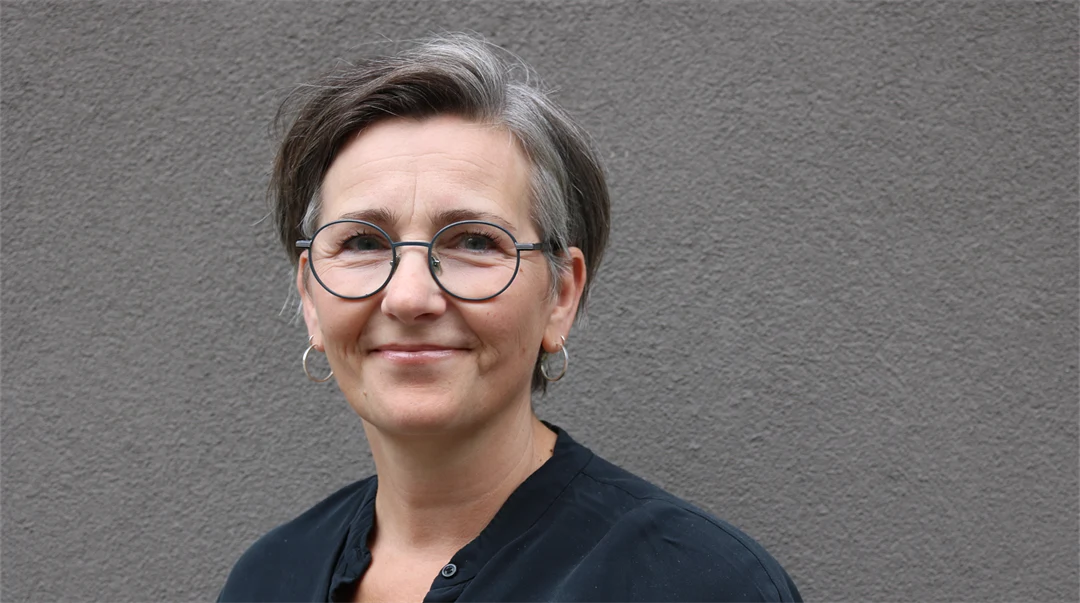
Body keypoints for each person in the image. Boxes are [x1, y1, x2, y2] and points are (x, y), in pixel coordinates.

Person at [218, 33, 802, 603]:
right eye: (363, 243)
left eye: (473, 240)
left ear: (561, 294)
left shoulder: (702, 584)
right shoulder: (270, 577)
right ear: (310, 296)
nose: (409, 297)